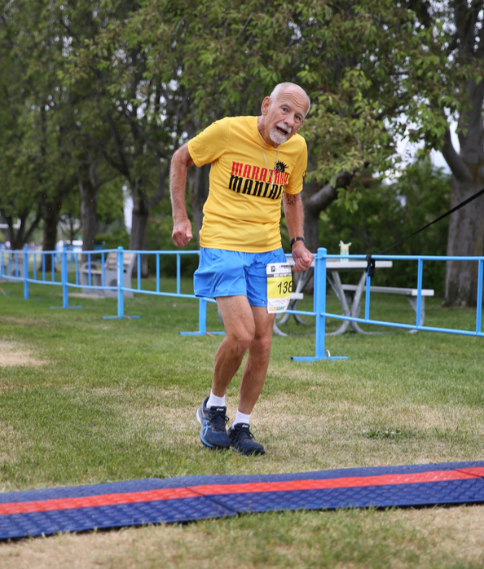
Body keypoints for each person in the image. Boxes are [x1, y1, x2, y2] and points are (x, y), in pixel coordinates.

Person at [170, 82, 314, 456]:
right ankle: (213, 407)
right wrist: (181, 217)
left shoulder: (296, 149)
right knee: (241, 336)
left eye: (298, 117)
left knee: (264, 343)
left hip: (269, 253)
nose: (290, 122)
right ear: (266, 105)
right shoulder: (227, 130)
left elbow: (293, 197)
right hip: (221, 244)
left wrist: (297, 242)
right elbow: (180, 159)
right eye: (284, 110)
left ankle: (242, 425)